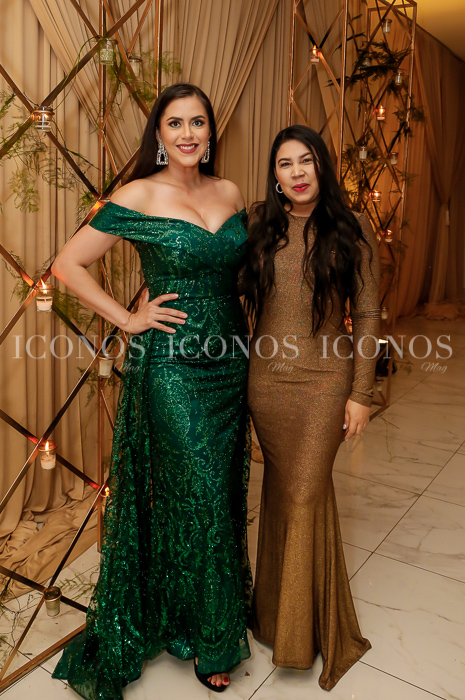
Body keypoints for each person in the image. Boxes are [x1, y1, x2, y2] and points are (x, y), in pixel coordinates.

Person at [51, 83, 252, 698]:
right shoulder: (138, 194)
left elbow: (243, 270)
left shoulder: (230, 192)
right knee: (203, 493)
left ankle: (195, 612)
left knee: (215, 494)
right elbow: (67, 265)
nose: (188, 133)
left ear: (210, 132)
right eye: (175, 123)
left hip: (230, 362)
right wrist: (129, 318)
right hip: (170, 365)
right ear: (159, 135)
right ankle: (214, 641)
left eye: (198, 122)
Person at [242, 125, 379, 690]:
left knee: (302, 492)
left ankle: (298, 637)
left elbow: (367, 316)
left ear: (322, 166)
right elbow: (228, 290)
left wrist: (361, 393)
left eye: (306, 161)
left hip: (326, 381)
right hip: (266, 383)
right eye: (285, 164)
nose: (296, 173)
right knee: (283, 492)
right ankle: (272, 616)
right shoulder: (259, 226)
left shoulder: (351, 230)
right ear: (274, 174)